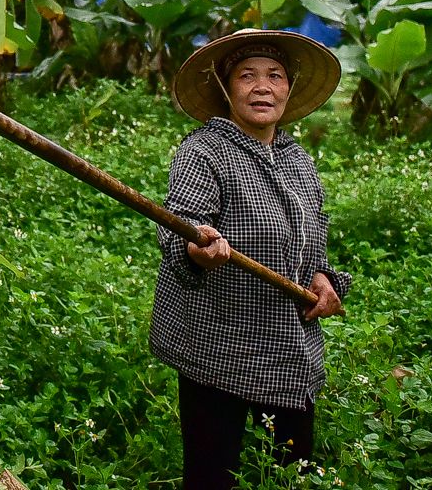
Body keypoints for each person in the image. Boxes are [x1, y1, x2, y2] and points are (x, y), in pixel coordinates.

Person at [149, 29, 351, 490]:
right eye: (248, 76)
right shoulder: (203, 151)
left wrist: (321, 277)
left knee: (291, 474)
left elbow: (313, 234)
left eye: (275, 76)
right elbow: (180, 223)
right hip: (218, 345)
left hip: (288, 347)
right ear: (226, 88)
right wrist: (198, 246)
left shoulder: (298, 159)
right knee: (211, 475)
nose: (263, 86)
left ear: (288, 89)